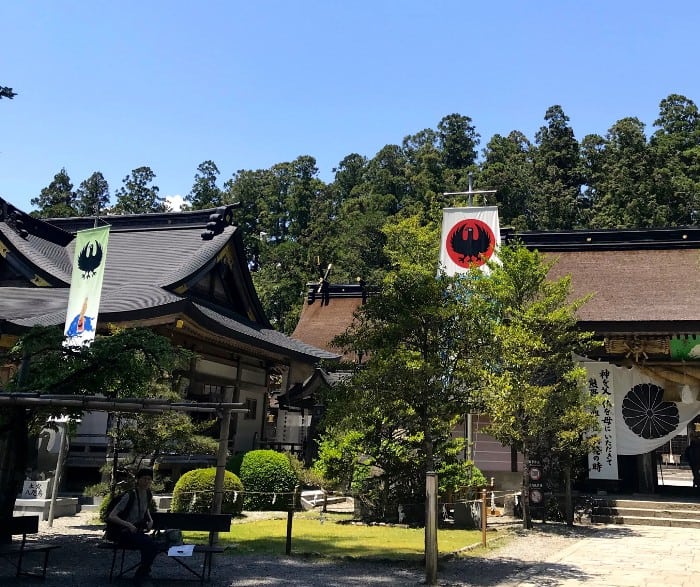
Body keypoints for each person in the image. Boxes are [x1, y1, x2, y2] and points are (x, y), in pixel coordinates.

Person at [107, 468, 158, 585]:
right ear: (138, 480)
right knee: (150, 545)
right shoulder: (129, 496)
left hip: (136, 532)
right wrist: (128, 524)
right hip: (123, 532)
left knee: (153, 546)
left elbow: (145, 509)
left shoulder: (148, 494)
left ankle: (142, 574)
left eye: (149, 479)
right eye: (144, 479)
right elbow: (112, 516)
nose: (147, 482)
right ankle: (141, 576)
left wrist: (150, 520)